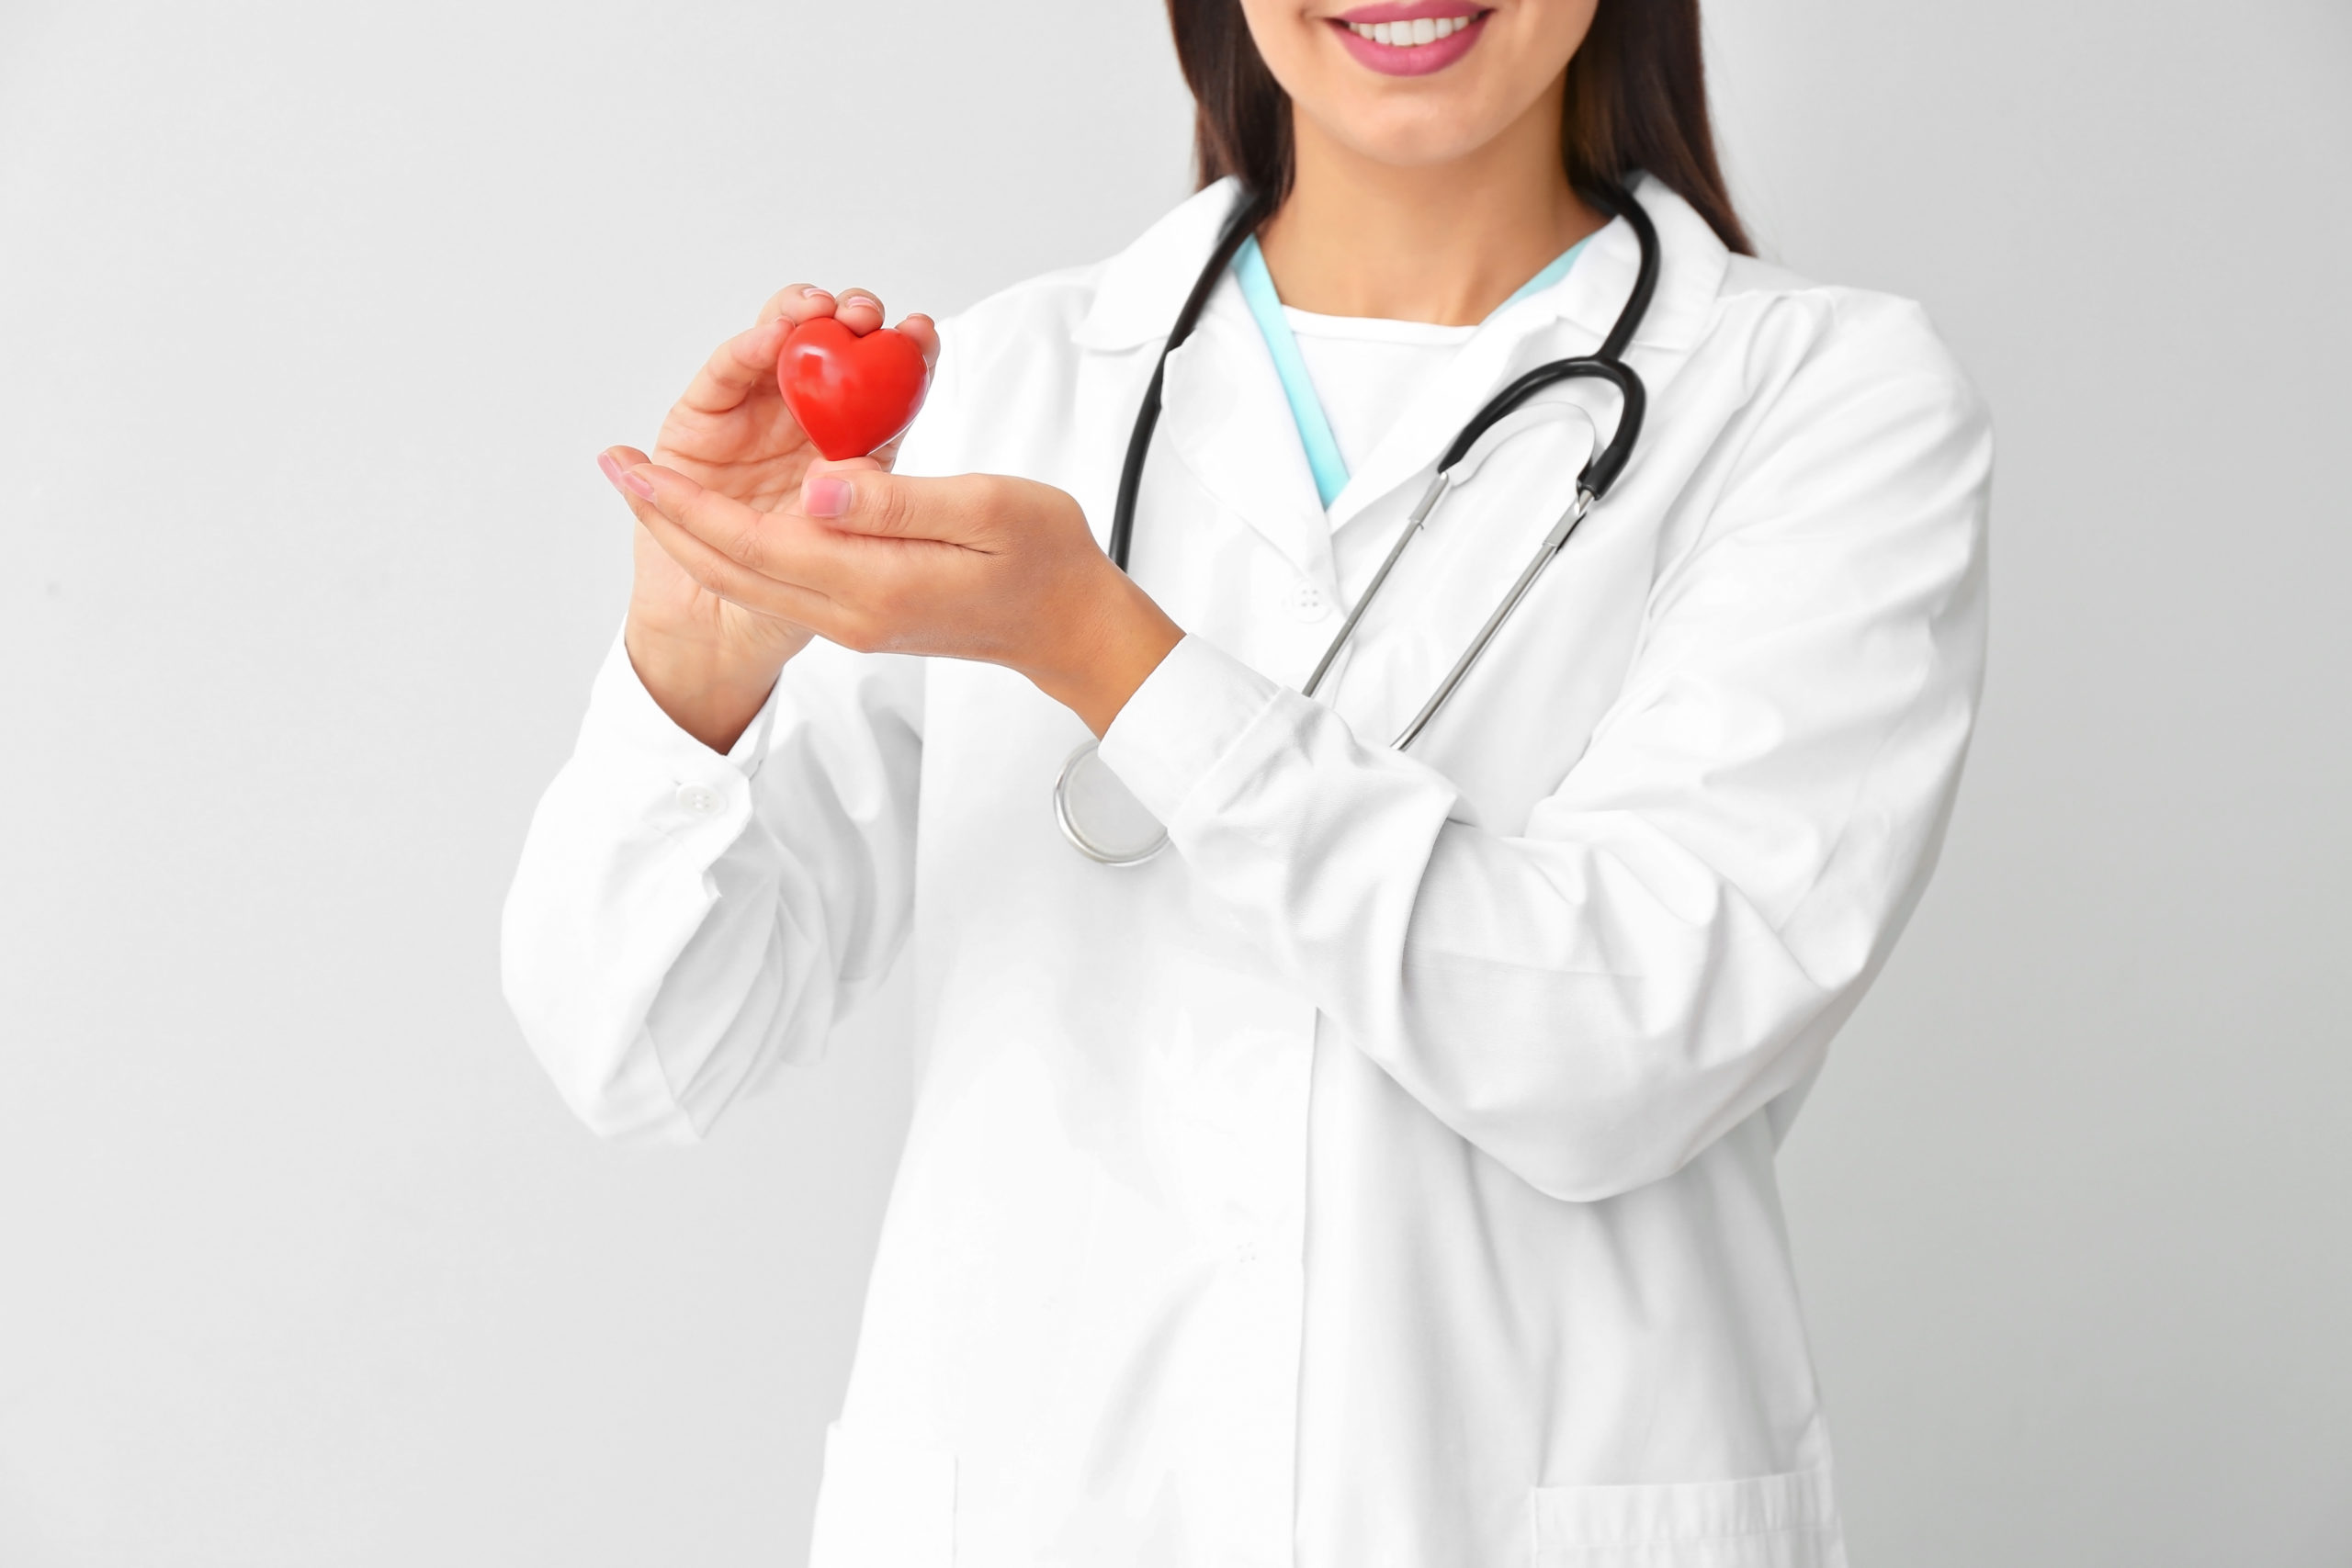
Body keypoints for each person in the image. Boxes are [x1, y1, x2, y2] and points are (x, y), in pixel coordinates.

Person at [503, 1, 1990, 1562]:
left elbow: (1625, 1040)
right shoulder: (1010, 390)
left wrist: (1102, 648)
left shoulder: (1826, 405)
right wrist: (697, 670)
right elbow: (648, 1044)